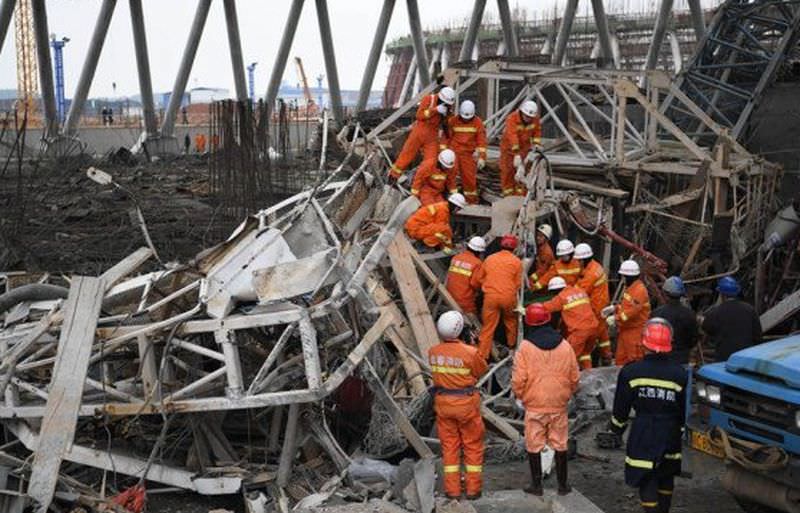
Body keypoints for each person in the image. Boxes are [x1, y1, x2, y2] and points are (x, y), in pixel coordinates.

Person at [608, 318, 687, 513]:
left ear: (645, 344)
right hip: (670, 432)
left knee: (646, 477)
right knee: (666, 475)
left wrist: (616, 429)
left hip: (644, 431)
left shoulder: (631, 372)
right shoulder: (679, 374)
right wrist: (680, 430)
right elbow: (683, 410)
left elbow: (621, 408)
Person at [513, 303, 579, 496]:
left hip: (534, 403)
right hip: (559, 403)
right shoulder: (565, 345)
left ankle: (537, 486)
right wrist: (568, 393)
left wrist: (519, 395)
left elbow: (519, 378)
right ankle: (563, 486)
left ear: (529, 324)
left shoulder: (525, 347)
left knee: (533, 444)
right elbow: (574, 376)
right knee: (560, 443)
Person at [429, 310, 488, 500]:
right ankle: (473, 490)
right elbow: (481, 370)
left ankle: (452, 491)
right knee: (471, 445)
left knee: (450, 448)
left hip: (443, 405)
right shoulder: (470, 353)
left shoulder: (433, 352)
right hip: (466, 405)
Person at [471, 234, 522, 360]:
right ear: (514, 248)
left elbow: (479, 278)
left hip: (491, 297)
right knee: (510, 321)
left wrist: (489, 285)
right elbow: (518, 284)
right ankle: (511, 350)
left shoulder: (490, 259)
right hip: (508, 297)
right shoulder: (517, 262)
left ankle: (482, 357)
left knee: (488, 328)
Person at [390, 86, 456, 180]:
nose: (446, 105)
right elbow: (419, 115)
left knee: (431, 160)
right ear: (440, 97)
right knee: (407, 154)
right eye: (445, 103)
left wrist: (446, 116)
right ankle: (393, 176)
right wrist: (435, 110)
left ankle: (422, 182)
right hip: (420, 130)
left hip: (432, 134)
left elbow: (446, 125)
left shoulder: (447, 107)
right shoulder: (429, 99)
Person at [700, 276, 761, 362]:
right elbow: (758, 336)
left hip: (724, 360)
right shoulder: (750, 310)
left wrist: (700, 320)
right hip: (746, 358)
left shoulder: (716, 312)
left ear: (722, 295)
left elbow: (706, 327)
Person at [543, 276, 599, 369]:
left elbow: (546, 307)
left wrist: (526, 310)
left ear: (555, 290)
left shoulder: (561, 297)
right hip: (594, 328)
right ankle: (589, 376)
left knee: (568, 357)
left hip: (580, 331)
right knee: (585, 354)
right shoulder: (580, 291)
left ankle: (570, 380)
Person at [605, 260, 651, 366]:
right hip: (625, 331)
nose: (623, 279)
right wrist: (615, 308)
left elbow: (632, 312)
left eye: (624, 276)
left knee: (633, 361)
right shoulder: (631, 288)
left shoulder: (639, 290)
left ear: (630, 276)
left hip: (635, 332)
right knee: (620, 360)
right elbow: (626, 307)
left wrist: (615, 318)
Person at [575, 243, 612, 364]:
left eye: (579, 261)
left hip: (594, 310)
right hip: (601, 307)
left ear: (584, 259)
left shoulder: (591, 273)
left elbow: (581, 290)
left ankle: (588, 369)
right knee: (602, 334)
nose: (578, 263)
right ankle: (607, 357)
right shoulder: (596, 266)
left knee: (586, 347)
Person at [445, 100, 487, 204]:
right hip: (454, 153)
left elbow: (481, 142)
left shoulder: (478, 123)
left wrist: (482, 157)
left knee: (469, 179)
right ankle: (452, 199)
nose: (466, 119)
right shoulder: (453, 121)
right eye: (464, 117)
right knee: (450, 176)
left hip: (468, 154)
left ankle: (471, 201)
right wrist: (445, 152)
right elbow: (447, 138)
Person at [499, 100, 541, 196]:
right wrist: (516, 154)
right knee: (507, 173)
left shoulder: (535, 119)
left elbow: (537, 132)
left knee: (523, 174)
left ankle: (521, 197)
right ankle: (508, 197)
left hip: (525, 150)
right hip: (508, 151)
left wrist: (536, 143)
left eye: (530, 117)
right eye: (527, 116)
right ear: (522, 112)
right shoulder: (512, 119)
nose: (528, 119)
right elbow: (512, 136)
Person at [652, 277, 697, 365]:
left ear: (665, 293)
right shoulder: (689, 314)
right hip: (681, 358)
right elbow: (694, 338)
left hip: (660, 358)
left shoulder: (657, 313)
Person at [446, 236, 486, 315]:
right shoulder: (477, 263)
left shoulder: (456, 257)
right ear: (479, 252)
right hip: (465, 303)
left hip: (449, 299)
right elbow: (476, 285)